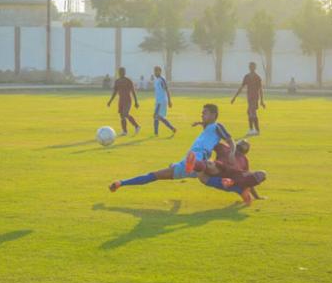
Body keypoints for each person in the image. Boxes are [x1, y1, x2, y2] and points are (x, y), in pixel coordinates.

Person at [108, 104, 262, 204]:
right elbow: (214, 138)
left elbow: (230, 139)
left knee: (155, 175)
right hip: (193, 164)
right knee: (203, 178)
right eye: (202, 113)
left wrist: (232, 152)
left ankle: (122, 182)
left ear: (214, 115)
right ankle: (238, 190)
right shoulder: (209, 128)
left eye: (205, 113)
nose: (202, 115)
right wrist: (201, 123)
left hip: (198, 158)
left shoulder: (217, 126)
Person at [186, 139, 267, 205]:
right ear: (246, 152)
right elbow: (249, 180)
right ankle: (195, 165)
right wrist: (256, 196)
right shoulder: (244, 160)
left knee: (209, 166)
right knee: (208, 172)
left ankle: (195, 164)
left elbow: (211, 142)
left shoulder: (226, 148)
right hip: (227, 179)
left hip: (219, 172)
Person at [231, 62, 266, 136]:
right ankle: (253, 129)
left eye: (252, 66)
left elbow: (260, 89)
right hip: (249, 97)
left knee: (251, 112)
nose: (251, 68)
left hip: (255, 97)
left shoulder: (257, 77)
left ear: (255, 68)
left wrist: (262, 101)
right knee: (249, 112)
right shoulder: (247, 77)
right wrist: (234, 97)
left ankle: (254, 130)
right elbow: (241, 87)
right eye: (250, 66)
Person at [107, 67, 141, 136]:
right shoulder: (117, 81)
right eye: (120, 72)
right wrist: (110, 101)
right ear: (118, 73)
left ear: (125, 72)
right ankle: (124, 131)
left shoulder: (128, 80)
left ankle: (137, 126)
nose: (121, 73)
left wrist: (136, 102)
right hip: (121, 100)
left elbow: (133, 91)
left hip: (128, 100)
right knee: (122, 116)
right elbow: (115, 92)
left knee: (125, 114)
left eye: (122, 71)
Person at [152, 66, 176, 136]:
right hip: (158, 101)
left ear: (160, 71)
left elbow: (167, 90)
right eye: (155, 71)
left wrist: (169, 101)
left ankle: (172, 128)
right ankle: (156, 133)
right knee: (157, 117)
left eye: (157, 71)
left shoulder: (162, 80)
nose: (155, 72)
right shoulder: (156, 79)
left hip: (161, 101)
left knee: (157, 116)